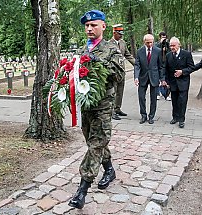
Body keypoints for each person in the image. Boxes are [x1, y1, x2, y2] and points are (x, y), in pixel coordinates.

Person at [68, 10, 124, 209]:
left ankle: (82, 190)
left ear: (103, 26)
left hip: (103, 106)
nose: (89, 28)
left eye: (93, 25)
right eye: (87, 26)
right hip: (87, 106)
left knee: (96, 144)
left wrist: (99, 62)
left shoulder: (111, 49)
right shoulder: (84, 49)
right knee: (95, 141)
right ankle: (109, 170)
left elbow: (119, 75)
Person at [134, 34, 165, 124]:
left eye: (151, 42)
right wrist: (136, 77)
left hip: (154, 77)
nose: (150, 44)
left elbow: (161, 66)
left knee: (153, 98)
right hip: (142, 77)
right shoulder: (140, 51)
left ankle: (151, 116)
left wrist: (161, 78)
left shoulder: (158, 51)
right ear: (144, 42)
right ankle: (143, 115)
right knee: (141, 97)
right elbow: (137, 65)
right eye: (147, 42)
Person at [164, 37, 195, 128]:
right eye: (170, 46)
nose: (172, 47)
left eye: (174, 45)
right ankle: (175, 117)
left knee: (182, 101)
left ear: (179, 45)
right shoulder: (168, 55)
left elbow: (191, 67)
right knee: (174, 101)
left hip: (183, 82)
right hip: (173, 83)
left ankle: (181, 119)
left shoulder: (186, 54)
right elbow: (166, 69)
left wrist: (182, 71)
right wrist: (166, 81)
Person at [109, 24, 135, 120]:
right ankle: (111, 112)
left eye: (122, 34)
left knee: (120, 91)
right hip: (114, 73)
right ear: (114, 33)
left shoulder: (123, 43)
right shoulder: (109, 44)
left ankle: (117, 109)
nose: (121, 36)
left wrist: (136, 64)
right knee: (113, 92)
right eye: (119, 34)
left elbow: (128, 55)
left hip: (122, 72)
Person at [155, 31, 171, 101]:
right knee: (158, 79)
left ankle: (166, 95)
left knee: (167, 80)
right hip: (159, 64)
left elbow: (170, 52)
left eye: (165, 37)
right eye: (162, 37)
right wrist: (160, 43)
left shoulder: (168, 44)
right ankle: (158, 93)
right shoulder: (157, 44)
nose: (164, 39)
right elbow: (155, 51)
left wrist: (167, 45)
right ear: (160, 37)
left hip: (166, 64)